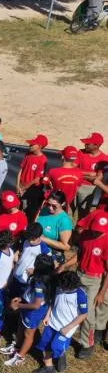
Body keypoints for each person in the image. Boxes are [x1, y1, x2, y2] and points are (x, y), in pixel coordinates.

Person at [73, 210, 108, 359]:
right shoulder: (85, 235)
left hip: (94, 280)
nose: (96, 233)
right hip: (81, 274)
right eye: (94, 230)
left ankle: (87, 344)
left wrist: (101, 292)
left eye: (100, 231)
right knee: (75, 306)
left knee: (87, 312)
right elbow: (80, 254)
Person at [76, 132, 107, 214]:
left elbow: (97, 179)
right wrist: (90, 174)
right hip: (75, 184)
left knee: (84, 214)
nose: (85, 144)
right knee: (68, 212)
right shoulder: (80, 152)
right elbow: (71, 169)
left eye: (88, 143)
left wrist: (78, 174)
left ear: (96, 145)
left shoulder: (104, 159)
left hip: (89, 189)